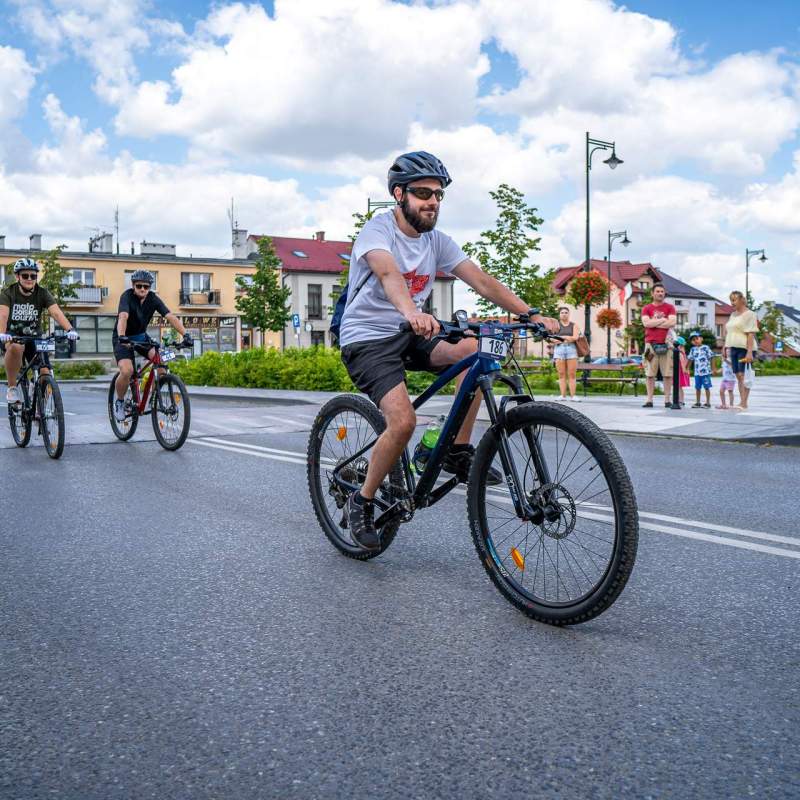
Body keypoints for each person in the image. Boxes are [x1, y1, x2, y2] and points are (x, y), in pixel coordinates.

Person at [338, 151, 558, 549]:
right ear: (399, 194)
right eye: (423, 193)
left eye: (439, 194)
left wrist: (532, 314)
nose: (433, 202)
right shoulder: (378, 231)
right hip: (367, 338)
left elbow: (483, 281)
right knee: (402, 423)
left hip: (412, 332)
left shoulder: (437, 242)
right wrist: (410, 312)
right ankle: (362, 499)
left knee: (478, 352)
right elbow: (388, 273)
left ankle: (456, 448)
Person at [112, 269, 192, 421]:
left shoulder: (153, 299)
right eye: (139, 286)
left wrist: (186, 335)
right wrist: (122, 336)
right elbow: (123, 316)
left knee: (161, 364)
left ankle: (152, 400)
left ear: (150, 288)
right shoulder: (127, 296)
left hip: (142, 337)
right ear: (133, 286)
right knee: (127, 370)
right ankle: (120, 402)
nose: (143, 289)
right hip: (123, 338)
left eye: (146, 286)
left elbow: (170, 317)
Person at [0, 258, 79, 403]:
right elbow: (3, 315)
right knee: (16, 347)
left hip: (34, 336)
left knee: (45, 373)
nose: (29, 279)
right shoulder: (8, 293)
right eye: (25, 276)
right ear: (17, 276)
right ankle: (12, 388)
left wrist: (70, 329)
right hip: (11, 335)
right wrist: (2, 333)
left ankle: (39, 407)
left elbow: (56, 312)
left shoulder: (42, 293)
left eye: (33, 276)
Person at [641, 282, 677, 408]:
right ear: (652, 293)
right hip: (650, 345)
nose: (660, 293)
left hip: (667, 344)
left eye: (662, 291)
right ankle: (649, 400)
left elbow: (672, 322)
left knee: (668, 373)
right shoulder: (646, 308)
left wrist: (654, 322)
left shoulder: (670, 307)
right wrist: (663, 320)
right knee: (649, 373)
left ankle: (667, 400)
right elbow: (646, 324)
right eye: (658, 291)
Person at [723, 290, 758, 411]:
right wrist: (725, 347)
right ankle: (742, 402)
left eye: (734, 300)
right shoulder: (733, 315)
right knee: (738, 375)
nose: (732, 303)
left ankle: (743, 402)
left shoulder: (750, 314)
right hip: (733, 348)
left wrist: (749, 352)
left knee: (743, 375)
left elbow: (751, 334)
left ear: (741, 300)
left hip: (745, 348)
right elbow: (729, 332)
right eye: (731, 300)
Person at [553, 306, 581, 402]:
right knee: (561, 374)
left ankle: (573, 396)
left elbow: (575, 337)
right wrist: (567, 338)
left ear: (569, 314)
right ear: (559, 314)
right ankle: (562, 395)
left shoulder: (574, 325)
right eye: (562, 313)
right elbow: (551, 339)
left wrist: (561, 338)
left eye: (566, 312)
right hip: (559, 350)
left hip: (571, 349)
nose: (564, 314)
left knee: (572, 374)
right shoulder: (555, 326)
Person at [687, 331, 713, 408]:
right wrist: (686, 368)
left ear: (701, 339)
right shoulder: (693, 349)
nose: (695, 341)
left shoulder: (706, 348)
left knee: (706, 387)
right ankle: (698, 402)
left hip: (705, 372)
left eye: (696, 338)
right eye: (693, 340)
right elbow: (690, 359)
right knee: (697, 387)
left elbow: (711, 357)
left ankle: (708, 403)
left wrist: (713, 369)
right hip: (697, 373)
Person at [674, 336, 690, 406]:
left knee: (679, 387)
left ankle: (681, 400)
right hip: (680, 371)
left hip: (680, 372)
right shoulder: (683, 353)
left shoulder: (680, 353)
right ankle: (680, 400)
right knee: (679, 387)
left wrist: (684, 370)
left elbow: (683, 363)